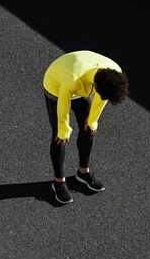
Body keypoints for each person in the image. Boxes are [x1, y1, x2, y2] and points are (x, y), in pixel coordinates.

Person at [43, 50, 129, 204]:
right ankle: (58, 182)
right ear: (96, 85)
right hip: (56, 85)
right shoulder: (73, 78)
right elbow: (64, 102)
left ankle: (83, 173)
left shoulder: (114, 73)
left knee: (88, 129)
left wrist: (92, 121)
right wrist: (64, 129)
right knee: (59, 136)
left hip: (83, 86)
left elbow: (101, 98)